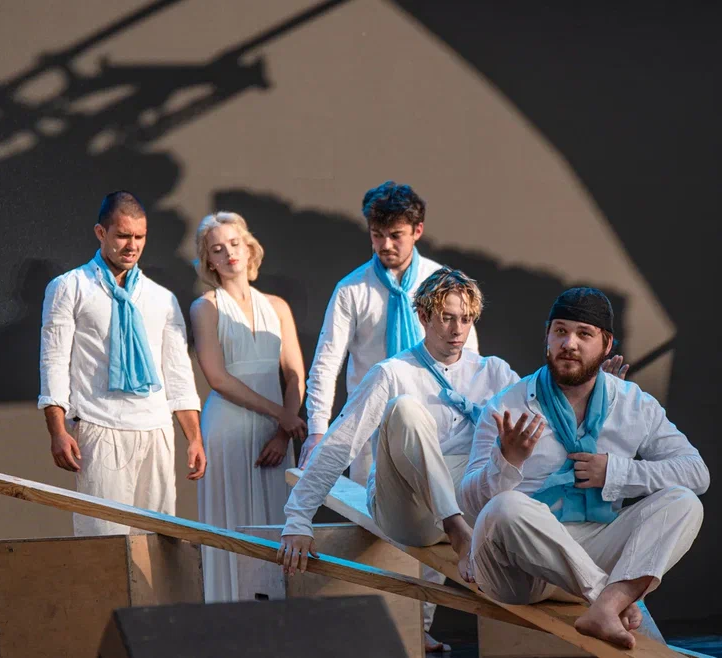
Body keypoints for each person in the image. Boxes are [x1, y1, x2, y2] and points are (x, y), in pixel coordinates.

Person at [460, 288, 709, 650]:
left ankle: (608, 604)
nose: (569, 343)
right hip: (519, 571)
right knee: (505, 506)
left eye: (584, 334)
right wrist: (506, 461)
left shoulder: (634, 405)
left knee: (684, 502)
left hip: (596, 546)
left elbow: (696, 472)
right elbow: (471, 506)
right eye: (560, 331)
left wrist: (616, 473)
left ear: (606, 344)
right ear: (547, 336)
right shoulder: (509, 405)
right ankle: (610, 599)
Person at [283, 268, 510, 652]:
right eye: (447, 317)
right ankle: (457, 530)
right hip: (404, 508)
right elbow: (341, 443)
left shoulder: (493, 372)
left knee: (510, 443)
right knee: (406, 409)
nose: (458, 330)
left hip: (461, 501)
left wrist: (598, 387)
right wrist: (298, 517)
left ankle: (426, 615)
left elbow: (541, 426)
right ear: (423, 316)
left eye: (466, 319)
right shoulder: (393, 372)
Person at [39, 190, 206, 536]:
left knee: (158, 541)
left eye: (140, 237)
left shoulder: (162, 298)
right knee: (102, 539)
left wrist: (194, 438)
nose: (132, 246)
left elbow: (178, 373)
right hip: (100, 426)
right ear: (101, 233)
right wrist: (57, 431)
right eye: (123, 236)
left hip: (156, 429)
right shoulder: (69, 287)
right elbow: (53, 361)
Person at [300, 181, 478, 480]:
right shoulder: (351, 289)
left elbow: (469, 358)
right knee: (368, 508)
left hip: (437, 428)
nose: (385, 245)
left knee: (439, 506)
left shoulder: (443, 282)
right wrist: (317, 431)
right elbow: (326, 363)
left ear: (417, 231)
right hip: (371, 428)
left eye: (396, 235)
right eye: (377, 235)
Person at [189, 211, 307, 602]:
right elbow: (217, 378)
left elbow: (295, 375)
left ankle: (277, 620)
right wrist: (282, 416)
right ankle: (228, 613)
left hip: (275, 434)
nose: (229, 253)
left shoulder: (278, 306)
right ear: (209, 261)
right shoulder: (205, 307)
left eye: (234, 243)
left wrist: (282, 432)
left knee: (277, 526)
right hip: (228, 430)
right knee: (232, 524)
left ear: (249, 247)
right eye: (217, 249)